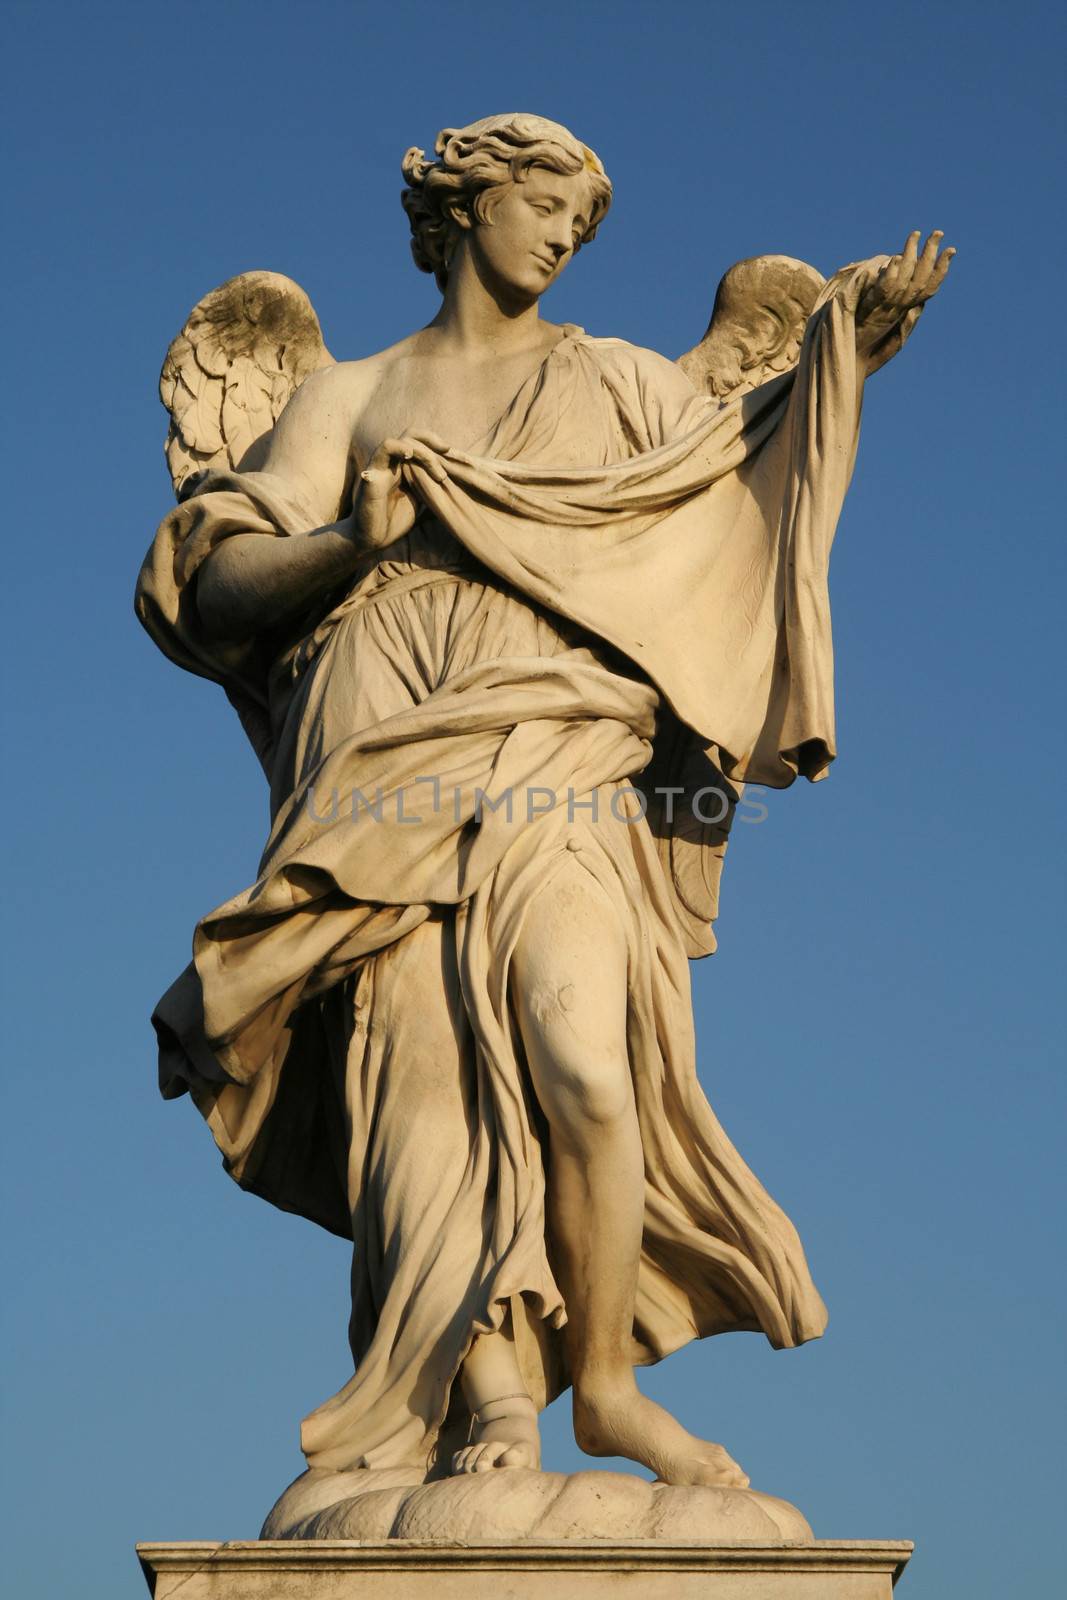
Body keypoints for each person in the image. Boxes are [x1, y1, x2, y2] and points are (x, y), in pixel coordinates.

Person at [137, 113, 952, 1489]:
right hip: (384, 749)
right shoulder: (347, 395)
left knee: (587, 1060)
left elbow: (732, 479)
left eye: (582, 214)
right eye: (542, 200)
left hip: (563, 750)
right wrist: (348, 541)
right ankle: (490, 1392)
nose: (565, 233)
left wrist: (838, 353)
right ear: (463, 210)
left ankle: (606, 1386)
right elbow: (214, 584)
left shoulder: (625, 382)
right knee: (427, 1094)